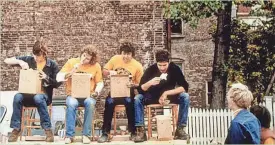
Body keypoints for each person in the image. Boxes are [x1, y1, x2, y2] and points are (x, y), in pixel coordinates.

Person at [4, 40, 61, 142]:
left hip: (43, 97)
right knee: (17, 97)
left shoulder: (52, 65)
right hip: (28, 96)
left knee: (38, 97)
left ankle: (48, 130)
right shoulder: (28, 60)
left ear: (45, 54)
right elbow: (6, 60)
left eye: (39, 56)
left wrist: (46, 77)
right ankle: (16, 129)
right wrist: (19, 62)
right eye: (35, 55)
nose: (37, 58)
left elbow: (58, 83)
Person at [133, 50, 190, 142]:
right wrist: (150, 82)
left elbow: (185, 87)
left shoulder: (174, 69)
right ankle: (141, 131)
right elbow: (140, 89)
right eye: (160, 65)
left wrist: (166, 93)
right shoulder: (151, 69)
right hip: (152, 97)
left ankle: (180, 129)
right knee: (137, 98)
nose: (162, 68)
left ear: (169, 62)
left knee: (185, 97)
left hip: (169, 97)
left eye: (165, 65)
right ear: (156, 63)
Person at [56, 44, 104, 144]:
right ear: (81, 54)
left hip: (88, 95)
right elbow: (58, 77)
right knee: (71, 104)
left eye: (88, 58)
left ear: (92, 59)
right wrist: (72, 71)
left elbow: (100, 82)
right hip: (73, 95)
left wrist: (96, 92)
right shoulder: (72, 62)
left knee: (90, 103)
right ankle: (70, 136)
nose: (85, 59)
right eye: (84, 56)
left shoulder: (96, 66)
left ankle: (86, 135)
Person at [97, 42, 143, 143]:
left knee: (130, 103)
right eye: (124, 53)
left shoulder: (137, 66)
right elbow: (104, 72)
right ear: (120, 53)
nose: (126, 56)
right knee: (108, 102)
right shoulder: (115, 59)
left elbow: (140, 84)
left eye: (128, 54)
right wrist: (110, 72)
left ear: (132, 55)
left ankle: (133, 132)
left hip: (128, 90)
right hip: (115, 90)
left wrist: (133, 84)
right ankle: (105, 133)